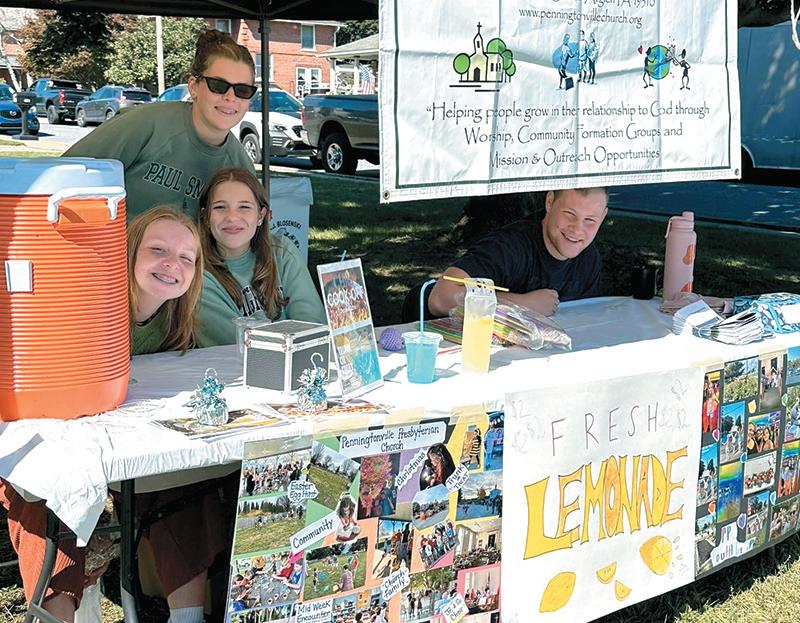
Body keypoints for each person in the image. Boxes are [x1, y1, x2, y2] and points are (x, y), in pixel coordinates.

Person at [64, 29, 256, 219]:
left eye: (243, 90)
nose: (230, 97)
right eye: (218, 85)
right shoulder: (144, 123)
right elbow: (64, 177)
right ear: (193, 87)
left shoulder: (241, 166)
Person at [428, 188, 608, 318]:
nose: (577, 229)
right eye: (569, 213)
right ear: (549, 202)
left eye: (590, 220)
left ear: (603, 217)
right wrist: (521, 304)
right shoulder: (510, 247)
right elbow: (441, 297)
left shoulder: (588, 258)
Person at [195, 167, 326, 346]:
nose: (232, 217)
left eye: (244, 207)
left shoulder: (281, 251)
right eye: (220, 207)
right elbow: (237, 342)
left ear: (261, 215)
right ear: (205, 217)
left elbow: (312, 323)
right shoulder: (196, 271)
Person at [128, 206, 204, 355]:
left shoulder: (173, 323)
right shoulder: (91, 315)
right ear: (130, 251)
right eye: (158, 249)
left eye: (185, 257)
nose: (173, 263)